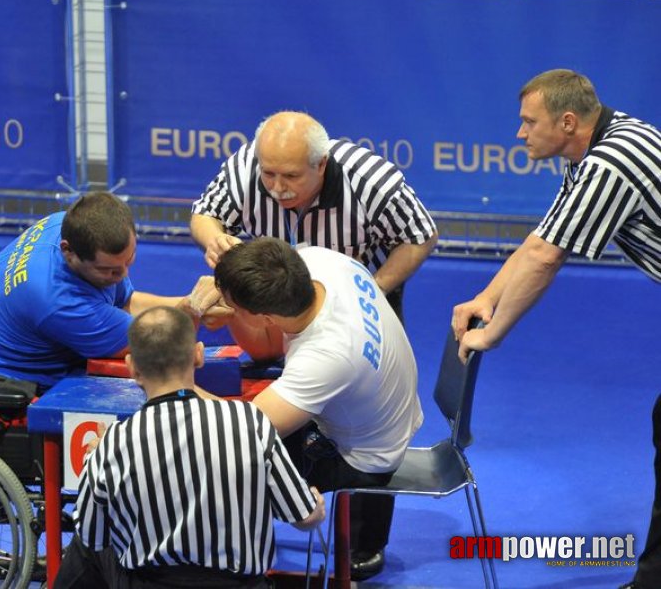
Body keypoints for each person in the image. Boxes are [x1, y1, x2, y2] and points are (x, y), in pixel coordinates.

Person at [450, 69, 661, 589]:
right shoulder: (597, 147)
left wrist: (493, 333)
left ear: (567, 122)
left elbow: (547, 259)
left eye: (529, 121)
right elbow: (539, 239)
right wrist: (485, 298)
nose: (519, 133)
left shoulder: (611, 164)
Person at [55, 305, 325, 589]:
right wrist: (313, 504)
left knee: (89, 547)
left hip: (150, 583)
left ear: (132, 367)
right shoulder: (250, 421)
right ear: (198, 355)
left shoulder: (112, 444)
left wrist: (96, 461)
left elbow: (93, 535)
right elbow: (305, 518)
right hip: (240, 584)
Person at [212, 237, 424, 581]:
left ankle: (221, 572)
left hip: (360, 459)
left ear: (265, 316)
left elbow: (243, 431)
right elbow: (267, 350)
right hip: (387, 416)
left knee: (219, 457)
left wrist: (181, 386)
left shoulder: (326, 355)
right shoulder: (321, 261)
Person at [0, 191, 225, 390]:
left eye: (129, 261)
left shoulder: (68, 223)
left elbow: (127, 301)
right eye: (109, 271)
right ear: (68, 251)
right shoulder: (57, 302)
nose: (122, 275)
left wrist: (194, 300)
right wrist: (192, 311)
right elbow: (151, 343)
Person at [190, 110, 438, 321]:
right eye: (268, 174)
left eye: (291, 176)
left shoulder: (371, 183)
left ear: (321, 165)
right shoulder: (243, 171)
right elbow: (204, 214)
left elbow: (420, 235)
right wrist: (215, 239)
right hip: (276, 296)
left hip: (357, 304)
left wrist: (374, 289)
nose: (277, 188)